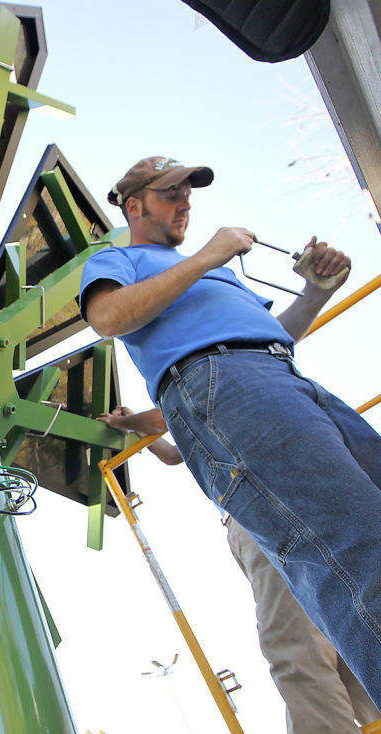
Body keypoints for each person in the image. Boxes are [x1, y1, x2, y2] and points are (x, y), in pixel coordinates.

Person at [78, 155, 381, 707]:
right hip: (218, 381)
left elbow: (270, 333)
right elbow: (108, 318)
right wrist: (209, 256)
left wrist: (316, 293)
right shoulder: (118, 259)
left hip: (280, 373)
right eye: (172, 193)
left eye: (189, 194)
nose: (185, 203)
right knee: (356, 540)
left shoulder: (213, 271)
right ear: (134, 206)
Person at [99, 406, 381, 733]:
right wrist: (133, 426)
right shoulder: (232, 412)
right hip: (257, 515)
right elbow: (172, 454)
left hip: (262, 510)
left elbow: (162, 418)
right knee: (333, 635)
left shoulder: (203, 388)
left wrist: (119, 422)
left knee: (293, 639)